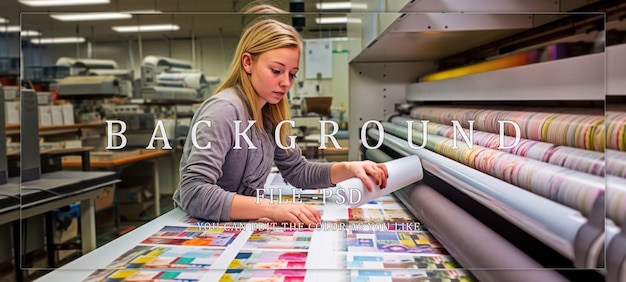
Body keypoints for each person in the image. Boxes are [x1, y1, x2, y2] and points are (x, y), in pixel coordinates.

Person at [173, 6, 388, 225]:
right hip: (200, 226)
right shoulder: (224, 110)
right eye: (276, 71)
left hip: (234, 226)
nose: (286, 83)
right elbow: (194, 192)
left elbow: (298, 171)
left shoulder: (268, 115)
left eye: (292, 74)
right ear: (247, 62)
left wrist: (349, 168)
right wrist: (272, 209)